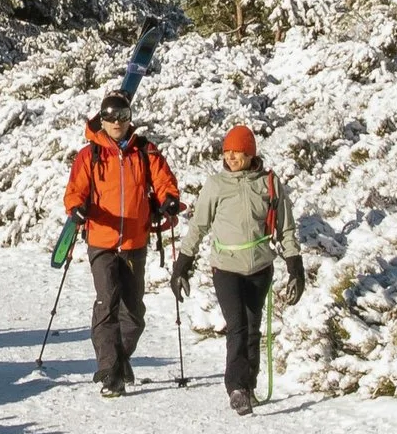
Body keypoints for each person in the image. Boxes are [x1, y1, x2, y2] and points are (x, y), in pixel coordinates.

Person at [173, 121, 304, 414]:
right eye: (228, 152)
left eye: (238, 152)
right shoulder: (216, 185)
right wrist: (182, 263)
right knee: (237, 326)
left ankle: (249, 385)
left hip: (260, 267)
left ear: (250, 153)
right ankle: (235, 387)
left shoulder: (269, 183)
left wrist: (296, 266)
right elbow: (199, 225)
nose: (231, 157)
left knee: (253, 328)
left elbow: (286, 229)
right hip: (226, 267)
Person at [64, 92, 181, 397]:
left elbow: (165, 181)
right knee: (107, 302)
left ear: (130, 118)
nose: (117, 122)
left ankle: (120, 359)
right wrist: (76, 207)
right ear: (101, 120)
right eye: (111, 116)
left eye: (123, 115)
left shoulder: (146, 152)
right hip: (101, 240)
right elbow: (75, 190)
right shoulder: (89, 155)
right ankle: (110, 372)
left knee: (134, 313)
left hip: (134, 240)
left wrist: (169, 200)